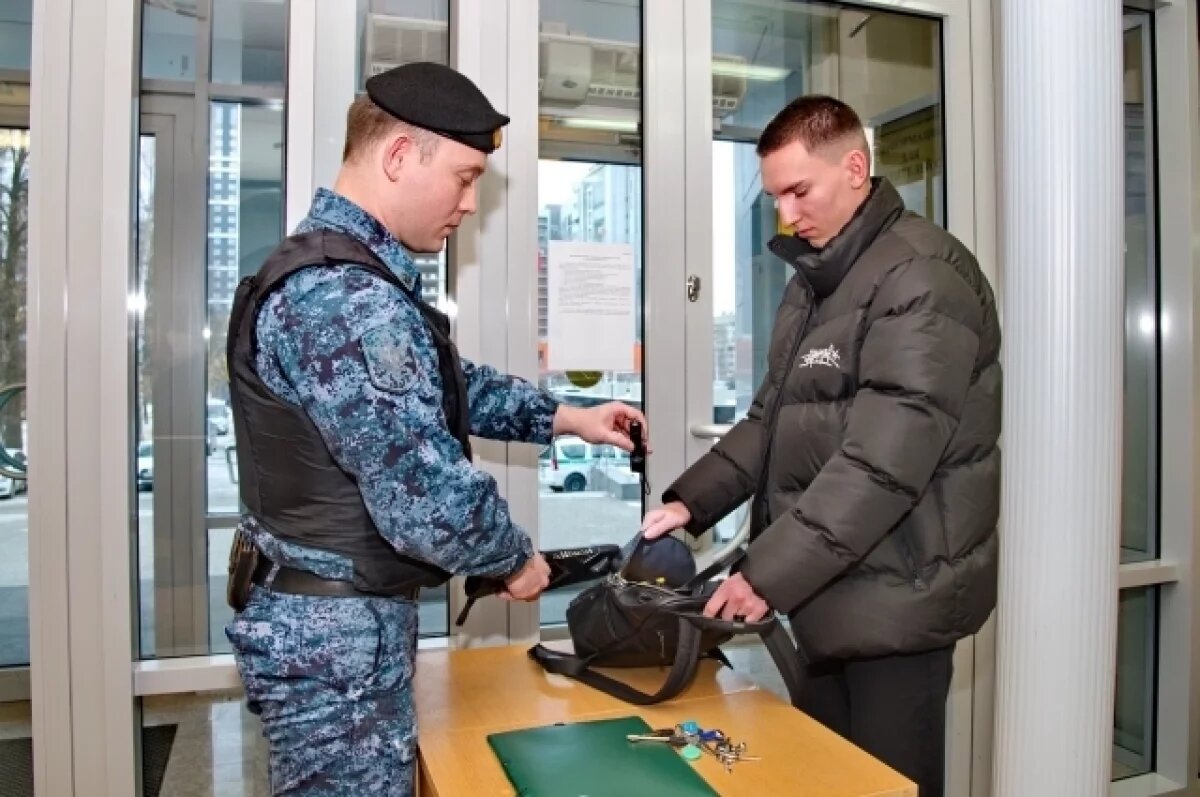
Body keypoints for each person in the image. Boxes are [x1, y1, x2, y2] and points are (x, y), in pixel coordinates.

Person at [224, 61, 648, 796]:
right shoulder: (347, 300)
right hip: (336, 647)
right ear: (397, 157)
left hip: (329, 628)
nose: (470, 203)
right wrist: (515, 559)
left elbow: (445, 389)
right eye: (463, 176)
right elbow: (425, 497)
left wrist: (569, 417)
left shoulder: (348, 280)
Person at [641, 95, 1000, 797]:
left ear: (856, 168)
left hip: (901, 602)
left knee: (885, 787)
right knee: (825, 783)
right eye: (775, 196)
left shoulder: (922, 278)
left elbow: (880, 465)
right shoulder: (817, 286)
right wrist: (690, 502)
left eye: (798, 191)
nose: (785, 215)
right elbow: (771, 422)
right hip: (829, 594)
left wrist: (764, 575)